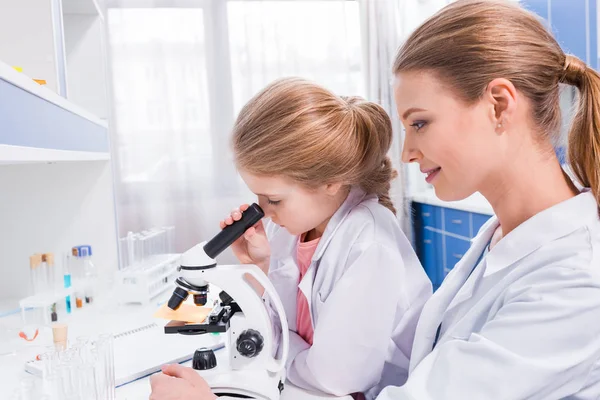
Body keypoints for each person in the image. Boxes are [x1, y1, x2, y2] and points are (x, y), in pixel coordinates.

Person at [150, 77, 432, 400]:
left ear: (330, 181)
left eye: (274, 199)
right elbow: (272, 336)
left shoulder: (369, 243)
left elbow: (334, 377)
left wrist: (283, 347)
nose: (263, 212)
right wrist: (258, 269)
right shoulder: (291, 229)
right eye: (258, 196)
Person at [376, 0, 600, 398]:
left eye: (420, 123)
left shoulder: (578, 280)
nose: (407, 151)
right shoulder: (503, 235)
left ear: (499, 104)